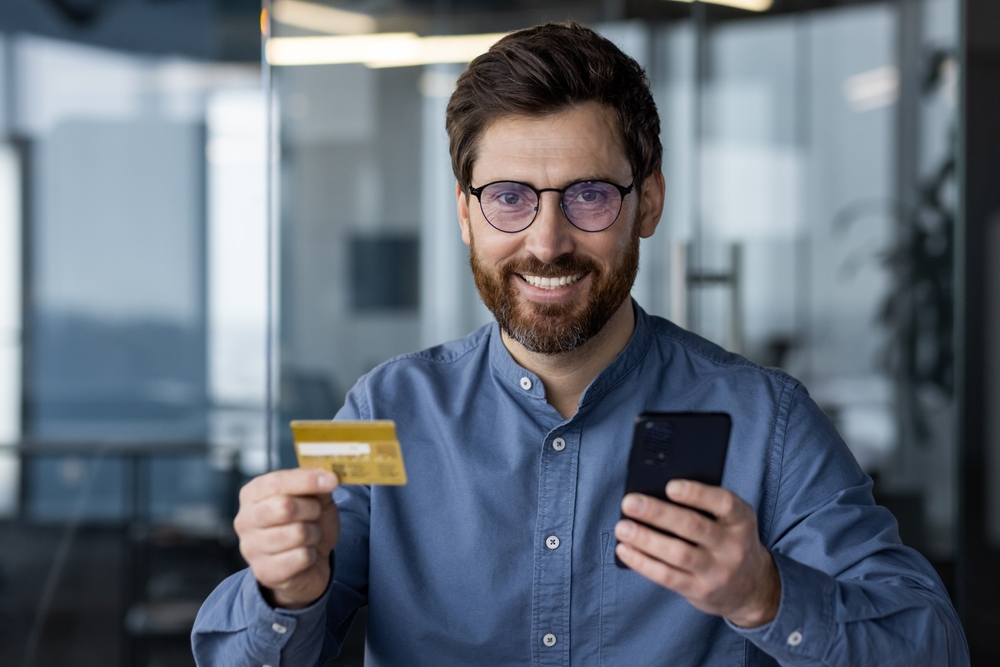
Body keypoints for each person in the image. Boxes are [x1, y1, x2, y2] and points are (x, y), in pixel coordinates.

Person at [192, 22, 968, 667]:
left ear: (649, 203)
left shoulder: (768, 421)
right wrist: (285, 590)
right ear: (465, 213)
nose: (547, 240)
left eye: (591, 196)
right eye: (508, 199)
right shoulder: (385, 411)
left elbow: (929, 642)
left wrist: (764, 596)